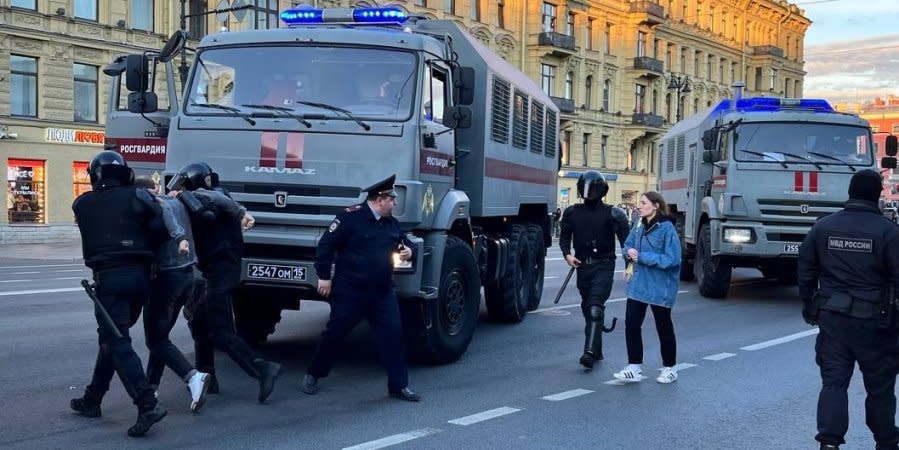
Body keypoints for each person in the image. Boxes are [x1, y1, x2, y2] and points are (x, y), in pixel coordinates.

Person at [70, 151, 173, 437]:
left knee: (117, 340)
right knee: (111, 339)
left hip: (110, 279)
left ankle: (147, 403)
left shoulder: (82, 203)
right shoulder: (139, 197)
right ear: (126, 174)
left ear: (95, 177)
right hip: (141, 278)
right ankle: (93, 398)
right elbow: (162, 233)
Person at [798, 169, 899, 450]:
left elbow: (805, 270)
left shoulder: (823, 227)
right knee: (880, 389)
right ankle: (886, 442)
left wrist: (810, 305)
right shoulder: (888, 232)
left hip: (833, 319)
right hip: (876, 325)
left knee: (834, 383)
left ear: (850, 192)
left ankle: (829, 443)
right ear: (877, 194)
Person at [167, 162, 282, 404]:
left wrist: (184, 195)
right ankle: (208, 378)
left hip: (221, 273)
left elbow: (205, 207)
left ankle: (263, 369)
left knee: (220, 331)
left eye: (186, 186)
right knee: (199, 324)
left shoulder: (210, 198)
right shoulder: (218, 197)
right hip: (217, 271)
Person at [301, 174, 420, 402]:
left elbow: (405, 242)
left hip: (382, 292)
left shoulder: (390, 223)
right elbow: (326, 245)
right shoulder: (351, 218)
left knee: (393, 335)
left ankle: (399, 385)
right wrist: (324, 277)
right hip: (351, 291)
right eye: (392, 200)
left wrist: (408, 251)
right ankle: (314, 373)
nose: (395, 204)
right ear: (380, 200)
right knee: (335, 334)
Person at [134, 176, 211, 413]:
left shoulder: (157, 205)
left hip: (166, 276)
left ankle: (192, 377)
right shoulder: (176, 201)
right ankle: (151, 386)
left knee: (154, 339)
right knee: (162, 335)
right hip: (189, 273)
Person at [559, 171, 629, 369]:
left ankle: (588, 353)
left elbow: (627, 245)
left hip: (604, 265)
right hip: (582, 266)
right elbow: (564, 238)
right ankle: (596, 349)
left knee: (595, 307)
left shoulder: (615, 214)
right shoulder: (571, 212)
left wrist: (630, 267)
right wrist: (567, 255)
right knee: (588, 307)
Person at [613, 192, 682, 384]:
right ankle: (634, 367)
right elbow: (626, 246)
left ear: (656, 206)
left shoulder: (667, 229)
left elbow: (673, 259)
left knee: (663, 327)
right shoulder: (638, 225)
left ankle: (670, 368)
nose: (639, 206)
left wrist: (641, 257)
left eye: (643, 203)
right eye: (639, 203)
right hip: (638, 285)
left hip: (660, 287)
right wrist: (629, 252)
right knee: (632, 325)